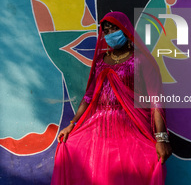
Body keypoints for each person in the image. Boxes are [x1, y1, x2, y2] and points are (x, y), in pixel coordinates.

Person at [51, 11, 172, 185]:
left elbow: (156, 101)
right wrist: (72, 124)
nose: (110, 34)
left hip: (131, 128)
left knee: (136, 171)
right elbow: (89, 97)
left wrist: (161, 139)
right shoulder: (101, 61)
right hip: (98, 130)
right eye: (106, 31)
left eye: (114, 29)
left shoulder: (141, 60)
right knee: (76, 154)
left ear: (125, 29)